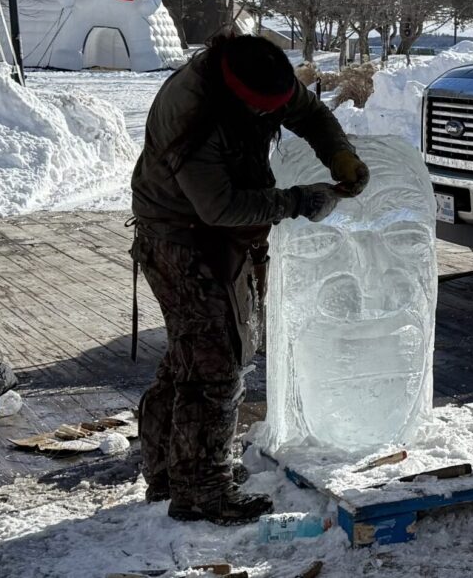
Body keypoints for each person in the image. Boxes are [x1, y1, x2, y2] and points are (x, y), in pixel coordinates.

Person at [130, 32, 369, 525]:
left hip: (220, 234)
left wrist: (338, 153)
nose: (270, 120)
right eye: (261, 113)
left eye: (273, 111)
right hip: (182, 236)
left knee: (191, 354)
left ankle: (174, 469)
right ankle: (200, 490)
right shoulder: (192, 111)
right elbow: (219, 207)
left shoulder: (262, 74)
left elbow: (309, 113)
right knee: (215, 360)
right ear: (237, 96)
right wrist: (298, 201)